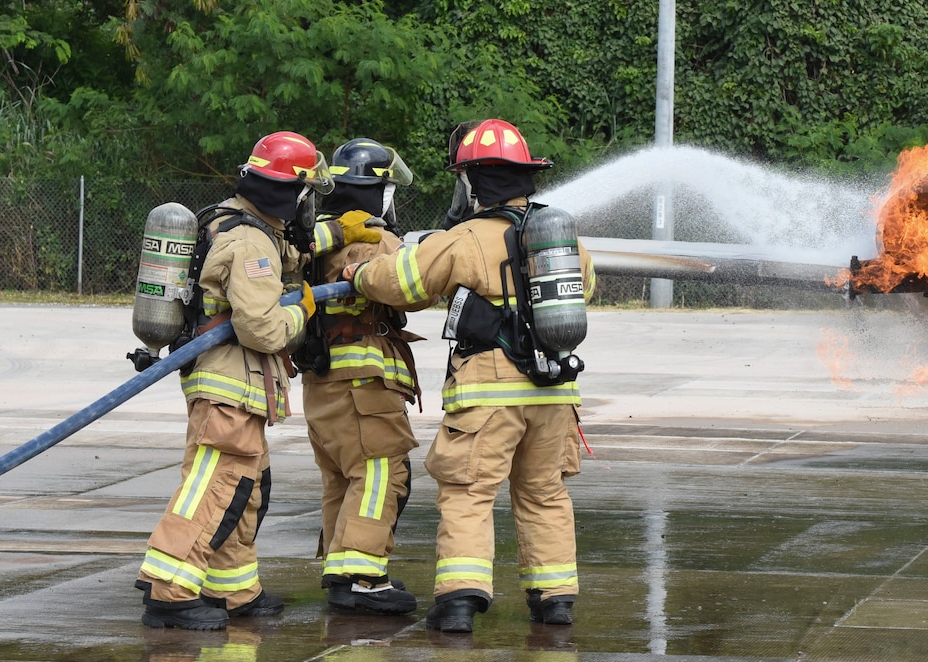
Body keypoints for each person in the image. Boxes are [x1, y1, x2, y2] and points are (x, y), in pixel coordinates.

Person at [344, 119, 594, 633]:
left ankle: (459, 601)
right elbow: (582, 289)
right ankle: (556, 600)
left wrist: (358, 274)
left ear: (472, 180)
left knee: (468, 491)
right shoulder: (562, 237)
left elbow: (404, 282)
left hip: (488, 393)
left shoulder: (464, 238)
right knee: (545, 492)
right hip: (555, 392)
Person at [136, 131, 329, 630]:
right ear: (294, 193)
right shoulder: (249, 242)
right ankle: (171, 590)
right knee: (213, 487)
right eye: (307, 195)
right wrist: (301, 314)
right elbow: (262, 327)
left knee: (244, 488)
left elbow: (285, 260)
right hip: (230, 386)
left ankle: (234, 587)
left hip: (233, 385)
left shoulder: (236, 223)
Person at [302, 138, 434, 615]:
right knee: (381, 471)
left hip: (323, 384)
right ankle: (361, 576)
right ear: (374, 191)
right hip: (363, 385)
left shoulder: (315, 235)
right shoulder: (372, 237)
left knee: (342, 477)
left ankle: (343, 566)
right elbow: (414, 290)